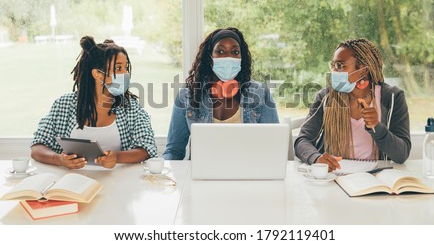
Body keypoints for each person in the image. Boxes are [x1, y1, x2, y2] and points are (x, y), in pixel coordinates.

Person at [31, 36, 157, 169]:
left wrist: (117, 157)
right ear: (98, 74)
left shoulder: (130, 107)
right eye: (119, 68)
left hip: (118, 182)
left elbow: (147, 148)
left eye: (126, 68)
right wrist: (59, 159)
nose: (126, 74)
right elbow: (37, 146)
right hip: (73, 182)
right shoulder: (64, 105)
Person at [163, 27, 279, 160]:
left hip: (247, 174)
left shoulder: (260, 93)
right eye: (221, 51)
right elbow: (174, 150)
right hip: (202, 176)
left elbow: (273, 145)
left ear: (241, 58)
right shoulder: (187, 95)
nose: (228, 57)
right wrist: (162, 172)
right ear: (210, 57)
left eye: (235, 52)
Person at [295, 38, 411, 170]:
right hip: (335, 176)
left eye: (340, 65)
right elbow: (302, 141)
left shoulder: (392, 97)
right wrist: (316, 158)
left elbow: (402, 154)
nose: (334, 71)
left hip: (375, 176)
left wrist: (376, 127)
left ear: (363, 70)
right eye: (333, 65)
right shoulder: (326, 97)